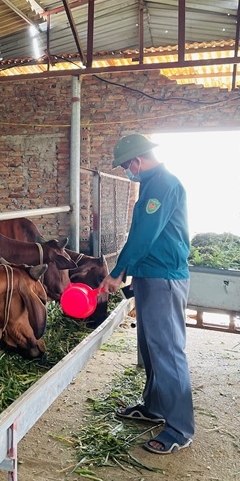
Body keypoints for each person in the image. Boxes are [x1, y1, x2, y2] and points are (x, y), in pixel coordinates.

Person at [98, 133, 195, 454]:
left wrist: (116, 272)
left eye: (127, 166)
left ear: (137, 161)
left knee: (167, 350)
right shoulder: (150, 184)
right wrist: (129, 275)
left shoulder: (163, 184)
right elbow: (138, 236)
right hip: (149, 277)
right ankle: (154, 407)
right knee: (151, 347)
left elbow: (144, 235)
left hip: (164, 279)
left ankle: (180, 427)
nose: (128, 171)